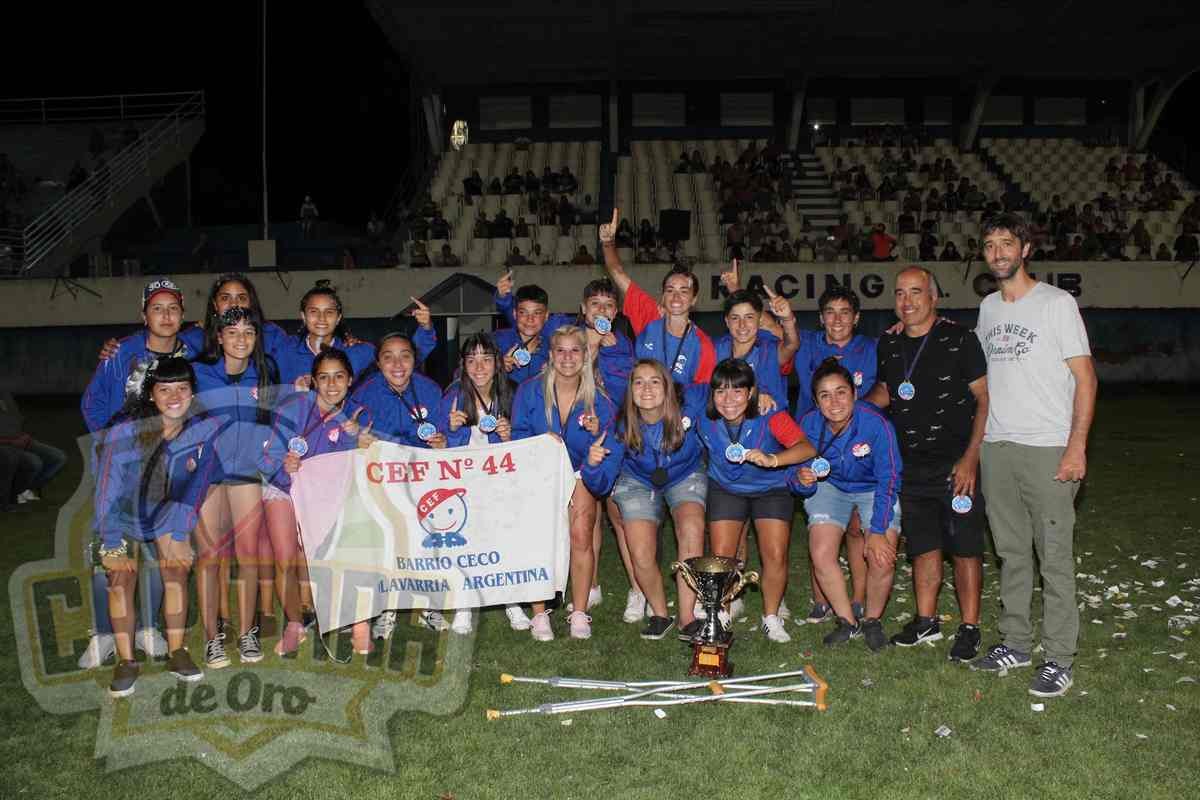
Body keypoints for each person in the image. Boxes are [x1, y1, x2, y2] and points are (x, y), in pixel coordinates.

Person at [970, 213, 1097, 699]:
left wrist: (1076, 445)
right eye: (990, 245)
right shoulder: (988, 308)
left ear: (1025, 249)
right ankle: (1017, 642)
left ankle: (1059, 657)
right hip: (997, 447)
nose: (998, 253)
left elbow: (1085, 379)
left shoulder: (1056, 304)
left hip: (1048, 447)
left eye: (1007, 243)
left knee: (1054, 557)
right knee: (1010, 552)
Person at [867, 267, 989, 661]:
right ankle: (926, 620)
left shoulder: (960, 339)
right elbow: (887, 390)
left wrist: (970, 457)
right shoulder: (889, 343)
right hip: (910, 465)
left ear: (933, 297)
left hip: (956, 465)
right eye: (900, 293)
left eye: (916, 292)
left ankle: (969, 627)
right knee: (923, 545)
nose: (907, 301)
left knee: (965, 547)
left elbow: (984, 398)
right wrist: (853, 411)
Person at [78, 279, 194, 667]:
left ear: (183, 314)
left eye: (173, 308)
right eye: (157, 308)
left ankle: (147, 627)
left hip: (166, 467)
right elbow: (92, 403)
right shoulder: (121, 353)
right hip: (121, 464)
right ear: (144, 314)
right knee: (111, 544)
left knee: (161, 548)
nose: (166, 315)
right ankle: (103, 634)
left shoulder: (192, 352)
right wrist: (112, 445)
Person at [95, 357, 221, 696]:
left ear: (193, 392)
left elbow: (197, 486)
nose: (174, 397)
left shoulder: (203, 429)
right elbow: (107, 487)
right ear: (151, 394)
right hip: (122, 513)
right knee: (121, 578)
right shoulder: (126, 431)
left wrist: (180, 533)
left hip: (167, 511)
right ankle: (126, 660)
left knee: (176, 571)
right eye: (165, 390)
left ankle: (177, 651)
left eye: (182, 388)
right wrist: (111, 541)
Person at [259, 348, 374, 657]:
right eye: (324, 377)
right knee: (285, 559)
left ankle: (359, 622)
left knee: (350, 550)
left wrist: (361, 441)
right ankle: (294, 624)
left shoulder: (359, 414)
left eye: (339, 377)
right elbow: (266, 458)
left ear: (350, 380)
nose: (332, 384)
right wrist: (283, 463)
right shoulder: (294, 407)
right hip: (284, 488)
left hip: (330, 495)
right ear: (313, 381)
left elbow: (369, 460)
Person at [511, 326, 619, 640]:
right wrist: (539, 442)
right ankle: (539, 613)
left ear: (585, 356)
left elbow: (607, 447)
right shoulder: (529, 391)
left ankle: (580, 611)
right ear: (551, 354)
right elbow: (517, 435)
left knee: (581, 533)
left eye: (575, 350)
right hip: (539, 472)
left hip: (578, 471)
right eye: (561, 350)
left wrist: (595, 433)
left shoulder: (600, 400)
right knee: (540, 538)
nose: (568, 357)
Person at [696, 359, 815, 642]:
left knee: (775, 553)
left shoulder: (769, 413)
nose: (728, 399)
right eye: (721, 391)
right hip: (726, 487)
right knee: (722, 556)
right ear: (712, 394)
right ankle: (721, 613)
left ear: (751, 393)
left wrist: (774, 459)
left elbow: (806, 448)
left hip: (771, 488)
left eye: (737, 391)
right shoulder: (703, 417)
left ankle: (770, 617)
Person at [588, 360, 707, 639]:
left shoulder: (690, 403)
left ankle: (687, 617)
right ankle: (660, 613)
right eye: (639, 382)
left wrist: (760, 394)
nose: (647, 388)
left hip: (684, 473)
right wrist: (592, 466)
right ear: (630, 390)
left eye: (655, 381)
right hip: (637, 479)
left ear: (667, 387)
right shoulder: (621, 425)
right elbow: (600, 484)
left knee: (691, 527)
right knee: (640, 551)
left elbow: (725, 387)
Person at [791, 358, 902, 651]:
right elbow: (795, 477)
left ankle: (872, 620)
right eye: (825, 395)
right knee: (821, 552)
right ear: (816, 402)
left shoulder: (876, 423)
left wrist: (877, 530)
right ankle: (847, 621)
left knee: (881, 553)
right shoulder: (809, 424)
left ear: (854, 393)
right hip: (831, 486)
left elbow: (890, 477)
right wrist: (803, 480)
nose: (835, 402)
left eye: (841, 392)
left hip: (873, 488)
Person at [190, 307, 280, 667]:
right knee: (209, 556)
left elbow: (271, 420)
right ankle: (212, 638)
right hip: (208, 472)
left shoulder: (266, 370)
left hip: (245, 471)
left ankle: (246, 633)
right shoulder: (199, 371)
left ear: (257, 337)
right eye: (232, 332)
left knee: (248, 554)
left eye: (248, 332)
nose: (241, 339)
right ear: (219, 337)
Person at [417, 333, 519, 635]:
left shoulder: (513, 392)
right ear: (463, 364)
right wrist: (448, 432)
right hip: (464, 482)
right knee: (467, 543)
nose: (479, 367)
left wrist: (510, 436)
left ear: (497, 363)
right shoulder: (452, 395)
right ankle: (465, 605)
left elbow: (530, 438)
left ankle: (511, 600)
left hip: (502, 481)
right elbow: (437, 445)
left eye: (486, 359)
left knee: (504, 540)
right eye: (472, 360)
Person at [600, 208, 716, 387]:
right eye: (670, 290)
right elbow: (617, 272)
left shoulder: (703, 345)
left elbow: (702, 393)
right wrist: (608, 243)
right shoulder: (650, 316)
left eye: (684, 291)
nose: (676, 296)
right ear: (662, 296)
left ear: (694, 300)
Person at [0, 390, 67, 508]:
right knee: (34, 462)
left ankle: (24, 489)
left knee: (58, 457)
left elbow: (17, 419)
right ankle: (10, 496)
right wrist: (10, 441)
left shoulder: (4, 394)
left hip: (19, 439)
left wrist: (23, 436)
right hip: (5, 444)